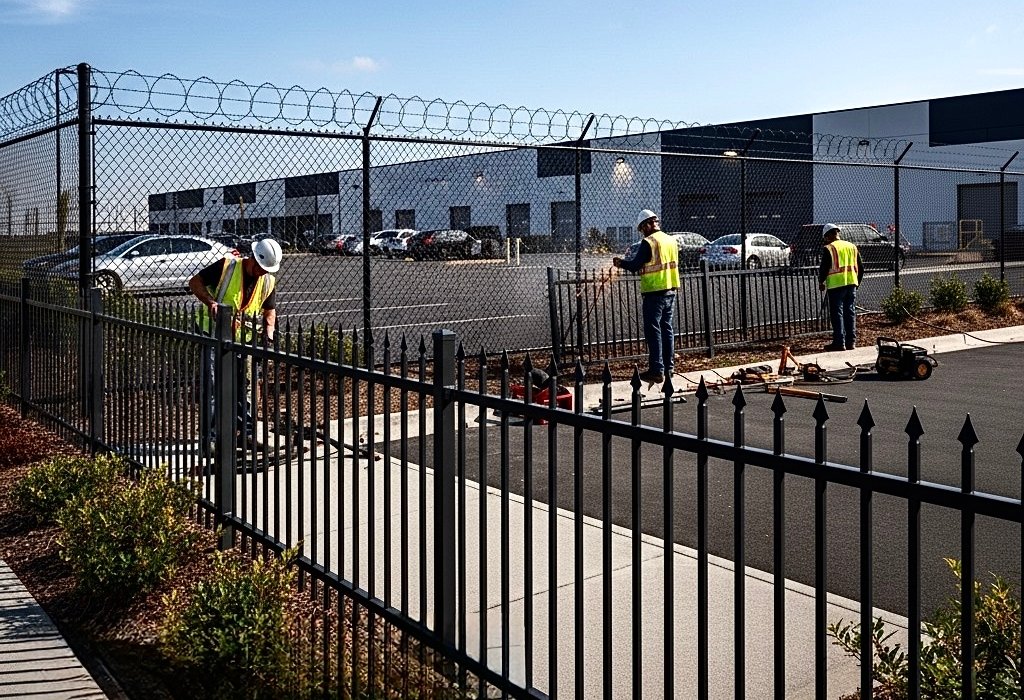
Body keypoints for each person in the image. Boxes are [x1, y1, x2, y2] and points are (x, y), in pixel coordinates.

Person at [189, 237, 282, 453]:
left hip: (244, 340)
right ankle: (209, 440)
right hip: (212, 333)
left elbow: (270, 309)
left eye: (266, 269)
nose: (262, 272)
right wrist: (211, 302)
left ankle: (245, 435)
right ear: (253, 259)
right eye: (260, 267)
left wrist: (269, 329)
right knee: (212, 386)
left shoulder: (268, 280)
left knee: (246, 387)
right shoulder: (227, 266)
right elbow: (194, 283)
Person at [612, 209, 680, 386]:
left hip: (654, 292)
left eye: (643, 228)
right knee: (667, 329)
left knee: (654, 331)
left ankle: (656, 370)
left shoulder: (649, 242)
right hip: (670, 290)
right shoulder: (670, 240)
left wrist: (620, 263)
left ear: (648, 225)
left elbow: (635, 266)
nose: (642, 232)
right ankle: (668, 368)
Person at [818, 223, 864, 351]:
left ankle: (839, 342)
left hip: (836, 285)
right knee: (850, 312)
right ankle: (851, 342)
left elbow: (824, 268)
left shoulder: (829, 248)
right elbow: (861, 268)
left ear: (828, 236)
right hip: (851, 284)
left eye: (825, 237)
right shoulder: (852, 247)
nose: (825, 240)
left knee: (837, 314)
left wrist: (821, 282)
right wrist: (856, 283)